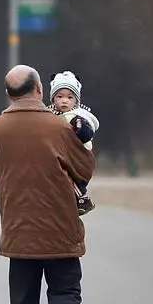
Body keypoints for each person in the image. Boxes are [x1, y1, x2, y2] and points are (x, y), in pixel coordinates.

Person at [0, 65, 96, 304]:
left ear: (9, 94)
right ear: (39, 91)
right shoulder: (61, 127)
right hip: (60, 230)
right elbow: (84, 171)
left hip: (18, 232)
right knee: (65, 291)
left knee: (23, 302)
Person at [47, 71, 100, 215]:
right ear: (53, 99)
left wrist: (79, 128)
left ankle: (82, 198)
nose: (64, 101)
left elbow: (87, 134)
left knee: (71, 179)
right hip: (60, 154)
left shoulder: (78, 117)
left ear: (76, 100)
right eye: (60, 97)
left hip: (77, 156)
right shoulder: (49, 114)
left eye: (70, 97)